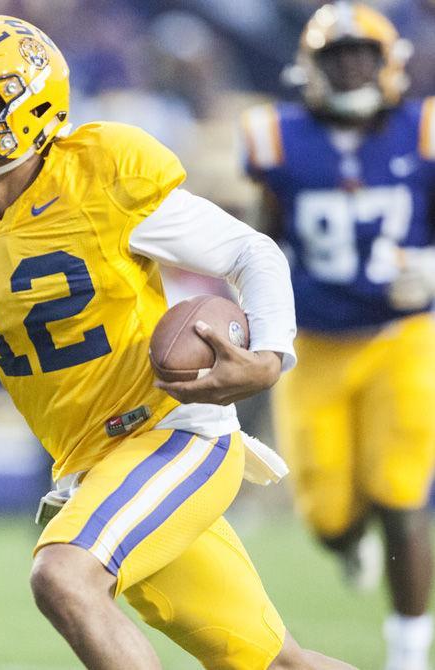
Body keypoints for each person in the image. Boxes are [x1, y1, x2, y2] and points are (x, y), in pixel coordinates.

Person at [0, 14, 356, 670]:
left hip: (175, 433)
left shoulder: (103, 168)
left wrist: (269, 356)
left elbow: (251, 253)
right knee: (275, 662)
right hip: (90, 469)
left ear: (30, 105)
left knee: (63, 574)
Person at [241, 3, 435, 670]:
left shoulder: (426, 130)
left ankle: (410, 652)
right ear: (310, 67)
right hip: (314, 342)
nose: (350, 66)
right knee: (326, 514)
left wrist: (427, 268)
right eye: (336, 56)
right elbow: (258, 241)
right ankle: (348, 542)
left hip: (400, 338)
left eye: (362, 54)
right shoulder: (276, 138)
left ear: (389, 66)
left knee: (401, 492)